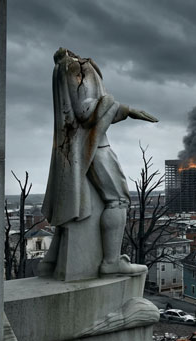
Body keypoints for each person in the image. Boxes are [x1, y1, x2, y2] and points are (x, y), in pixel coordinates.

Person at [42, 48, 158, 275]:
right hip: (92, 146)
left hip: (72, 147)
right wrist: (119, 105)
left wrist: (124, 110)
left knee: (69, 206)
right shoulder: (77, 67)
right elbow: (85, 111)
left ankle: (50, 262)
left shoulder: (60, 70)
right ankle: (111, 261)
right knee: (119, 199)